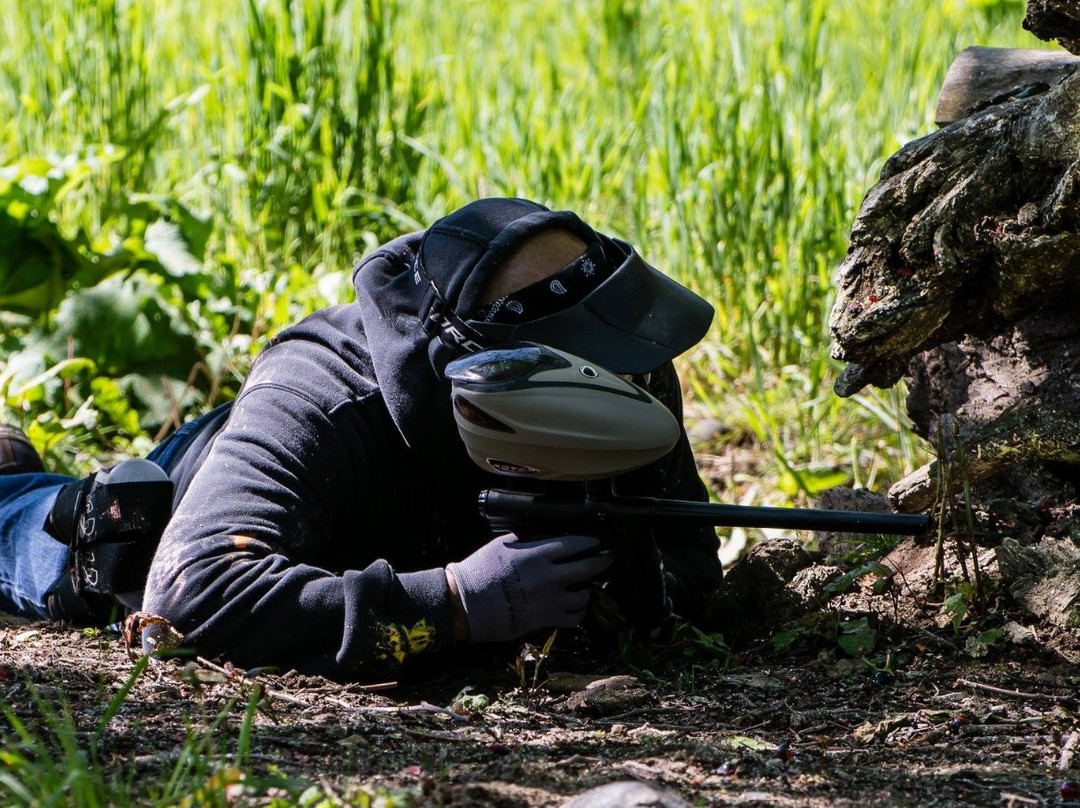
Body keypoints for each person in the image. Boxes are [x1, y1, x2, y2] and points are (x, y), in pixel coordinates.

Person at [0, 198, 723, 681]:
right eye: (589, 367)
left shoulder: (628, 373)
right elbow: (195, 592)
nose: (629, 381)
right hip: (190, 498)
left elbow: (687, 560)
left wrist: (627, 590)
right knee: (56, 530)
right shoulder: (320, 398)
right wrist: (457, 603)